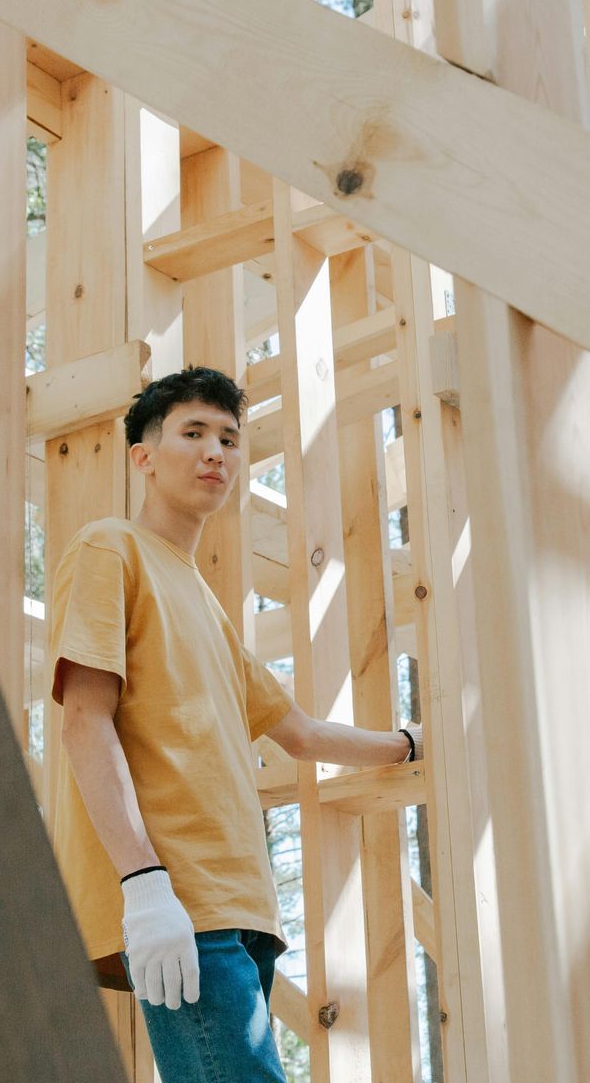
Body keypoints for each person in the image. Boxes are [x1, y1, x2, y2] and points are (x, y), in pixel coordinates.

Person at [46, 365, 423, 1082]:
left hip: (244, 912)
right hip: (178, 901)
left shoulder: (206, 606)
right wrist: (144, 885)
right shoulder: (110, 549)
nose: (216, 450)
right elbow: (84, 723)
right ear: (144, 456)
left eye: (229, 437)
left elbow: (302, 733)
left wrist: (408, 744)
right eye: (193, 432)